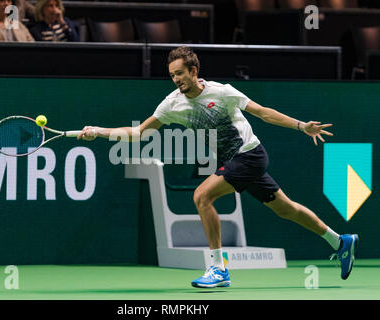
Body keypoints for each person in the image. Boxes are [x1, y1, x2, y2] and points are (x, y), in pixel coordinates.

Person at [77, 46, 359, 288]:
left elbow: (262, 112)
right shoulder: (172, 105)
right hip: (233, 161)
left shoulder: (221, 92)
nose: (176, 79)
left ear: (194, 70)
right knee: (285, 209)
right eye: (172, 75)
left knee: (202, 196)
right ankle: (340, 241)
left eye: (180, 73)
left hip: (250, 155)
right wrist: (99, 131)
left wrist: (301, 126)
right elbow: (139, 133)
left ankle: (219, 268)